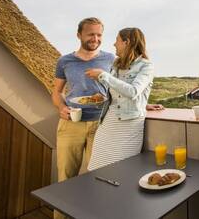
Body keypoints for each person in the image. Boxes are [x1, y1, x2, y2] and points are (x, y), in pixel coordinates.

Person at [52, 20, 162, 218]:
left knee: (102, 178)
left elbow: (128, 90)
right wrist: (61, 107)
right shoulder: (65, 61)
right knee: (66, 179)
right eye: (90, 35)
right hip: (75, 124)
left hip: (102, 122)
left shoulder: (111, 60)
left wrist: (143, 104)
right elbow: (56, 92)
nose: (96, 39)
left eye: (99, 35)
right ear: (79, 35)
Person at [85, 27, 153, 170]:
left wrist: (103, 76)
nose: (114, 44)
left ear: (126, 42)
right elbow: (117, 95)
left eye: (117, 40)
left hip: (129, 126)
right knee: (96, 168)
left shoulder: (146, 66)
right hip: (108, 123)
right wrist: (102, 97)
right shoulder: (116, 64)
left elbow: (133, 91)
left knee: (122, 171)